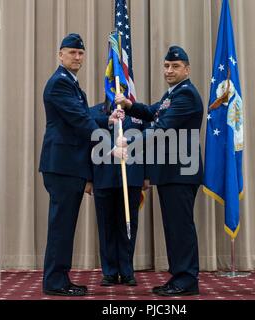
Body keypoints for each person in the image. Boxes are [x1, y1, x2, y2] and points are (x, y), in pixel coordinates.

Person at [39, 33, 125, 297]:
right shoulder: (59, 84)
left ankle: (60, 278)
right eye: (71, 52)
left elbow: (86, 116)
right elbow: (79, 120)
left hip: (69, 166)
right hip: (62, 165)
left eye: (80, 53)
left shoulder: (74, 86)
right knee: (61, 227)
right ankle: (54, 282)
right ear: (60, 55)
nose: (77, 57)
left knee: (65, 227)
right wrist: (110, 146)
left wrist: (108, 119)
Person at [115, 46, 203, 297]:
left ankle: (186, 279)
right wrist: (129, 105)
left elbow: (162, 127)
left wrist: (129, 141)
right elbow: (154, 112)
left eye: (175, 66)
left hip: (181, 171)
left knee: (181, 227)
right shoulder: (172, 94)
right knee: (174, 228)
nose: (169, 70)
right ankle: (180, 277)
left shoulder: (186, 95)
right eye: (166, 66)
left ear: (187, 69)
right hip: (170, 172)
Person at [89, 98, 149, 287]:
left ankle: (127, 270)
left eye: (123, 86)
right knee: (106, 226)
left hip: (131, 177)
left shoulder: (138, 114)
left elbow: (148, 146)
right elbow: (87, 143)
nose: (118, 91)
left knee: (128, 225)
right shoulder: (94, 113)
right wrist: (88, 179)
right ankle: (110, 271)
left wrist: (147, 175)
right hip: (103, 176)